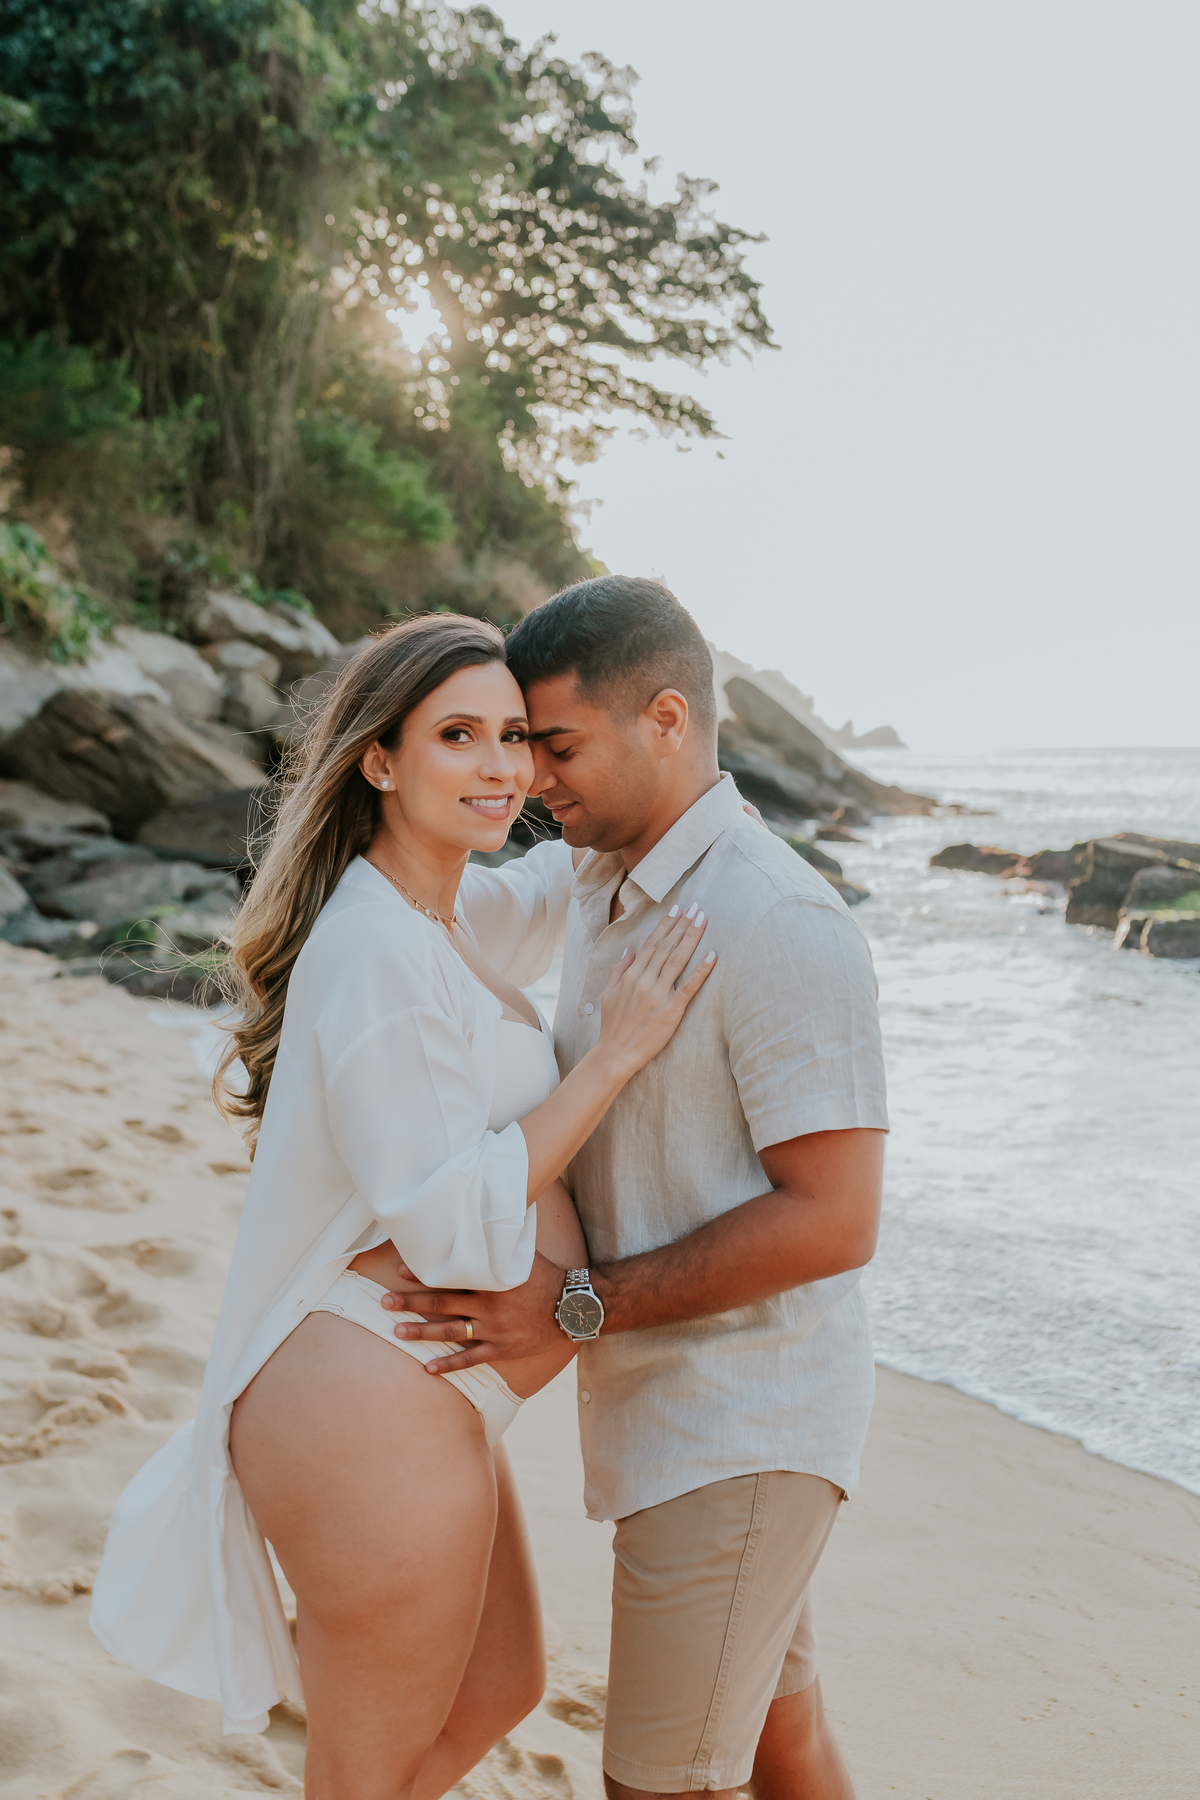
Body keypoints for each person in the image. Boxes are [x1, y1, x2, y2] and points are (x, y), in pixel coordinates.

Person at [90, 613, 716, 1800]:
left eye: (520, 739)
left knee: (499, 1690)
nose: (501, 768)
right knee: (363, 1772)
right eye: (459, 736)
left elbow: (563, 881)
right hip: (369, 1400)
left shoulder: (445, 915)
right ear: (381, 760)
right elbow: (441, 1221)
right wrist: (611, 1059)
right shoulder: (376, 945)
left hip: (419, 1393)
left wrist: (675, 777)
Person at [379, 578, 889, 1800]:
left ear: (666, 719)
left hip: (741, 1425)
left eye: (555, 745)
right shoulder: (607, 879)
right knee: (781, 1742)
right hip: (682, 1414)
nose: (534, 781)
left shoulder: (776, 921)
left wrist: (577, 1305)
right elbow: (418, 909)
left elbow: (836, 1218)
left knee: (661, 1786)